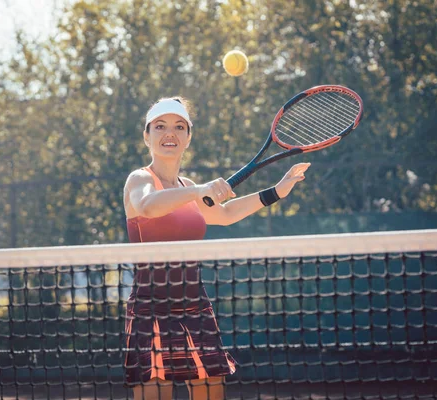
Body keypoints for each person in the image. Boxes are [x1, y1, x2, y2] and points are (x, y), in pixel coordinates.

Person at [123, 97, 310, 400]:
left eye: (178, 127)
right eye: (160, 126)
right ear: (147, 136)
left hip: (196, 306)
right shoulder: (140, 179)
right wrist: (199, 190)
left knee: (211, 392)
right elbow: (146, 205)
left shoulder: (187, 185)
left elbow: (224, 214)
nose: (169, 133)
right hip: (151, 309)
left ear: (188, 138)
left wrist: (277, 191)